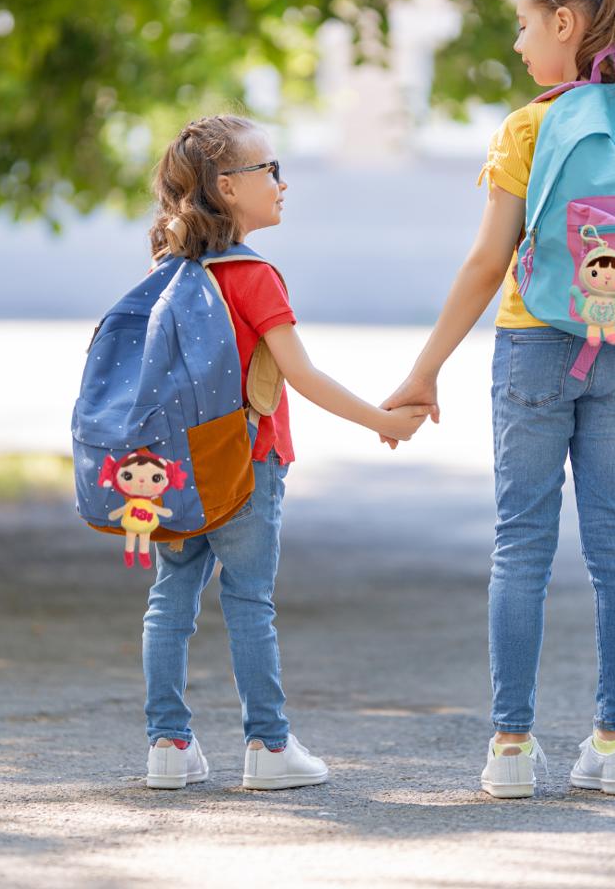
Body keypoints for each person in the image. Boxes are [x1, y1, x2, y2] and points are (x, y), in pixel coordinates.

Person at [381, 0, 615, 799]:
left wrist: (424, 371)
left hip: (535, 344)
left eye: (525, 25)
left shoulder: (529, 126)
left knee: (521, 546)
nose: (518, 43)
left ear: (564, 23)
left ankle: (509, 749)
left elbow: (485, 262)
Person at [142, 113, 432, 791]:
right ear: (226, 187)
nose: (282, 183)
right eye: (268, 170)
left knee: (170, 598)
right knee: (248, 602)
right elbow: (299, 376)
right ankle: (268, 748)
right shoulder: (254, 276)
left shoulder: (168, 270)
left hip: (177, 465)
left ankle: (167, 743)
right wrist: (381, 420)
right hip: (247, 461)